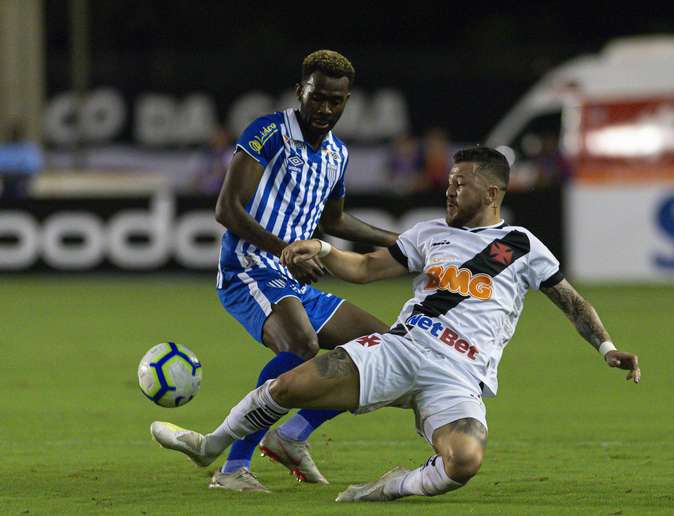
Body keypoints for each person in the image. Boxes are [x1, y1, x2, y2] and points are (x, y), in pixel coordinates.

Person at [152, 146, 641, 501]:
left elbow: (571, 302)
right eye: (449, 181)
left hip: (461, 376)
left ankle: (391, 486)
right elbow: (364, 269)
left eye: (461, 183)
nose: (450, 189)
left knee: (465, 462)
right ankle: (212, 444)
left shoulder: (521, 245)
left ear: (492, 191)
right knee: (287, 387)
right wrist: (322, 249)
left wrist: (606, 347)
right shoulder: (428, 234)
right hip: (401, 349)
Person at [211, 49, 398, 491]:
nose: (326, 110)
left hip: (294, 277)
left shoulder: (337, 154)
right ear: (301, 91)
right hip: (250, 268)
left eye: (337, 101)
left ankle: (292, 436)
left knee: (386, 352)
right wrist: (285, 249)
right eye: (318, 98)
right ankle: (233, 468)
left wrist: (397, 241)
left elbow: (333, 221)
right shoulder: (269, 132)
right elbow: (227, 208)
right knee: (301, 346)